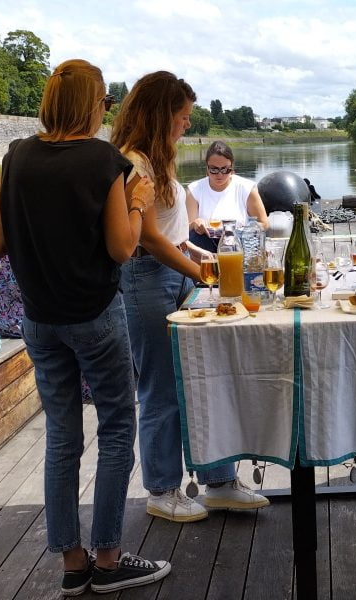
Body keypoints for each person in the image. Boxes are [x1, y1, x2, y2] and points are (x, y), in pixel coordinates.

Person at [0, 58, 170, 596]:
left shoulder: (15, 155)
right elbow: (122, 248)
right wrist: (137, 204)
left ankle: (72, 562)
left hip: (39, 321)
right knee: (117, 427)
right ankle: (110, 557)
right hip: (93, 315)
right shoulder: (101, 159)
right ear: (92, 105)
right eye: (104, 103)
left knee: (62, 437)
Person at [111, 72, 269, 523]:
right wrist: (204, 273)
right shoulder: (133, 162)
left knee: (208, 374)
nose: (186, 124)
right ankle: (162, 490)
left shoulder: (158, 159)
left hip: (177, 276)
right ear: (161, 115)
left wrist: (199, 272)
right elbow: (150, 240)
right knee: (160, 387)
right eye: (181, 117)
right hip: (148, 279)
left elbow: (174, 235)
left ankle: (219, 482)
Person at [186, 140, 268, 252]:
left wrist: (240, 231)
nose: (220, 175)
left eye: (225, 169)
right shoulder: (194, 189)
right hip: (205, 245)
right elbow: (186, 228)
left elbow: (264, 223)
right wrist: (195, 224)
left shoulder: (246, 188)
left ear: (232, 167)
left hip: (239, 244)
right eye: (214, 169)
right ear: (207, 167)